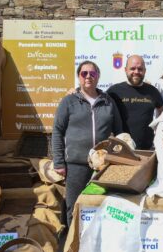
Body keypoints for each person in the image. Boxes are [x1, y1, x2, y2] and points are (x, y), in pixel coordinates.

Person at [52, 60, 123, 227]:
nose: (88, 77)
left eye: (92, 73)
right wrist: (59, 162)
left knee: (101, 206)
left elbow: (119, 132)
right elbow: (57, 131)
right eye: (84, 73)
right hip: (76, 165)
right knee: (75, 207)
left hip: (102, 166)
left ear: (98, 77)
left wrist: (119, 159)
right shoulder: (68, 102)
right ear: (79, 77)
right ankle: (73, 247)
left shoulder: (108, 101)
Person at [107, 55, 163, 150]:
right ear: (125, 70)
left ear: (145, 71)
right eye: (132, 69)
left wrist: (158, 134)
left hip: (147, 150)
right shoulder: (114, 91)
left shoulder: (153, 91)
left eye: (140, 69)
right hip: (120, 151)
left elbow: (162, 112)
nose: (136, 72)